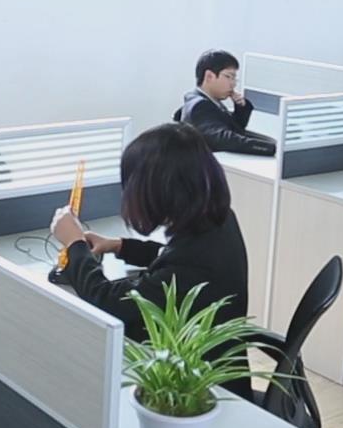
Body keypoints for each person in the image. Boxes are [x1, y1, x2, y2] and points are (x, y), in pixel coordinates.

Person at [49, 123, 252, 397]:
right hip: (208, 366)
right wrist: (120, 246)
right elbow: (169, 256)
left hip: (196, 392)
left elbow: (107, 302)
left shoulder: (191, 264)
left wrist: (74, 244)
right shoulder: (219, 221)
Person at [173, 49, 276, 156]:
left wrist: (240, 108)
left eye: (234, 78)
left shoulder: (210, 101)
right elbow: (225, 139)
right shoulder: (199, 105)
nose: (233, 84)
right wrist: (271, 148)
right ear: (209, 76)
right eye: (228, 77)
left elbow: (233, 128)